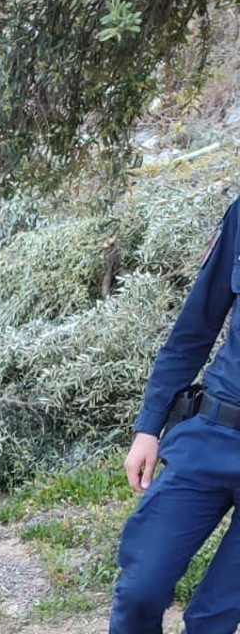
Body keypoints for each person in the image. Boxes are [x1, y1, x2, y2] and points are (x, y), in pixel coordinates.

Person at [109, 195, 240, 634]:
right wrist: (149, 427)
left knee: (212, 620)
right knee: (140, 590)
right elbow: (194, 328)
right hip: (211, 435)